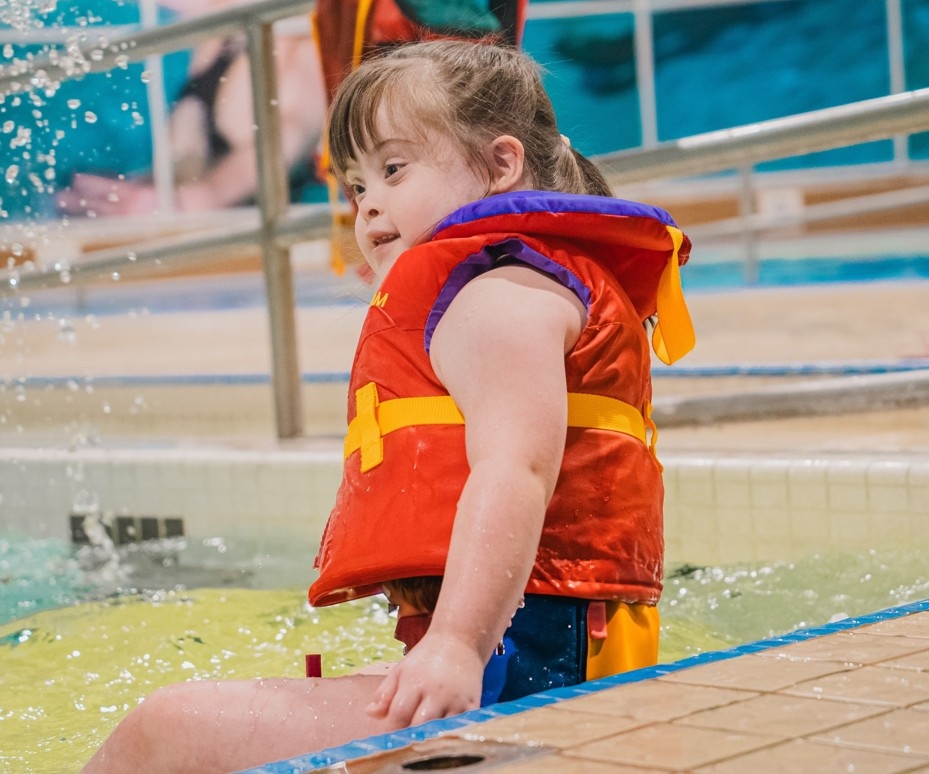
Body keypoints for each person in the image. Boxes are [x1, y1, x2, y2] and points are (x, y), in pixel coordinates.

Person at [81, 39, 695, 773]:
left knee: (165, 730)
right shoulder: (518, 283)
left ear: (501, 165)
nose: (368, 202)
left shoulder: (498, 296)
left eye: (393, 169)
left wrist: (456, 644)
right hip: (538, 659)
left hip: (528, 677)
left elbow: (515, 471)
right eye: (355, 184)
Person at [52, 0, 330, 216]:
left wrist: (193, 200)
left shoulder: (304, 47)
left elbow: (288, 137)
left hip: (254, 220)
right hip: (182, 195)